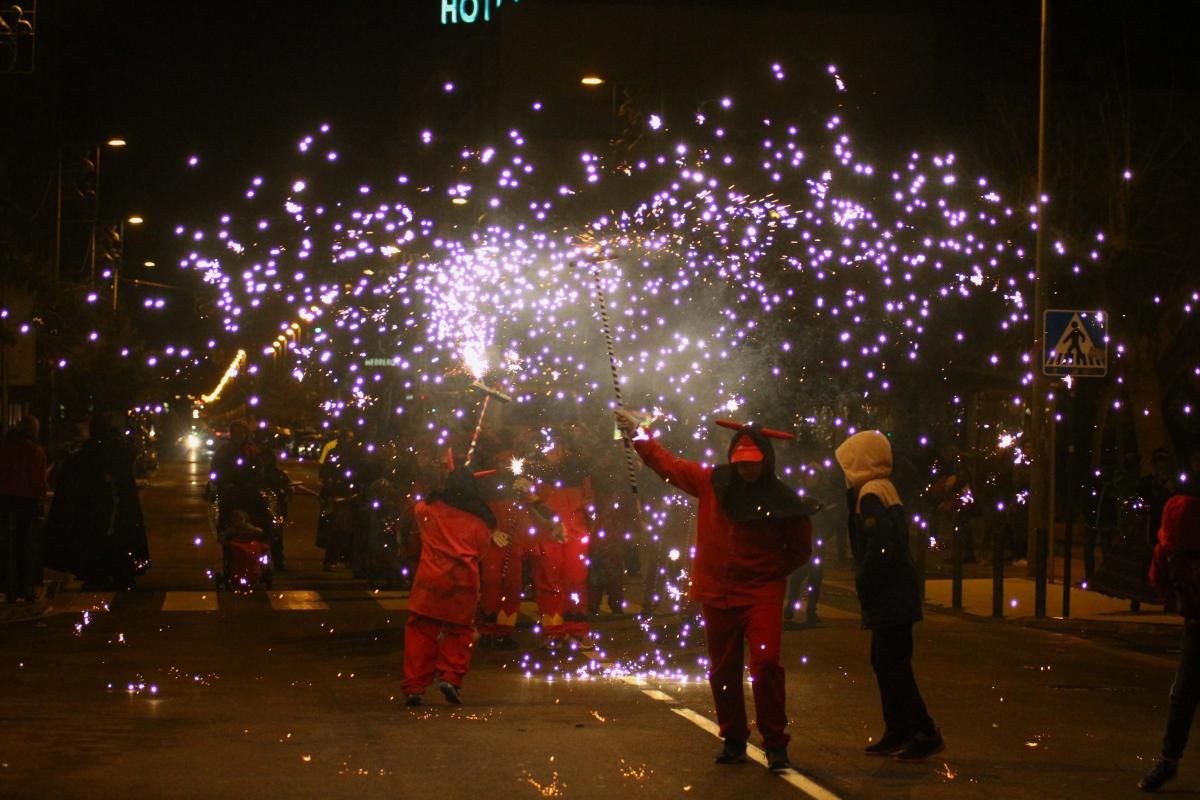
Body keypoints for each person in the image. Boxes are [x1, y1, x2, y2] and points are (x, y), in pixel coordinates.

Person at [616, 409, 814, 772]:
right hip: (717, 592)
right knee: (723, 670)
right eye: (741, 463)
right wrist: (638, 433)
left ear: (766, 461)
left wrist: (769, 574)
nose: (746, 470)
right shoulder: (711, 481)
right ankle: (734, 738)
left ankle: (775, 742)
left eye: (753, 464)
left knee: (766, 664)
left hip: (761, 592)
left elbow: (801, 549)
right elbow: (667, 465)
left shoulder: (782, 498)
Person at [835, 430, 943, 762]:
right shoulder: (884, 487)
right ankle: (898, 729)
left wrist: (865, 577)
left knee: (892, 664)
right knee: (886, 661)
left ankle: (923, 731)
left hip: (890, 592)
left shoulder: (869, 494)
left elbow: (882, 545)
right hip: (898, 590)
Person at [402, 467, 497, 707]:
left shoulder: (428, 510)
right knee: (460, 631)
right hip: (462, 583)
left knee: (421, 631)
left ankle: (415, 686)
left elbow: (415, 511)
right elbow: (483, 552)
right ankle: (451, 677)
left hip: (429, 581)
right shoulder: (479, 522)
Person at [44, 413, 150, 590]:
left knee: (98, 539)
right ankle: (109, 573)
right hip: (104, 508)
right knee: (107, 539)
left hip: (99, 508)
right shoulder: (110, 452)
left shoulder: (93, 453)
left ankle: (101, 573)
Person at [1138, 491, 1200, 792]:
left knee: (1184, 694)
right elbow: (1159, 580)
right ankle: (1169, 759)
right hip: (1196, 626)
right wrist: (1181, 605)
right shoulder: (1165, 551)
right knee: (1182, 695)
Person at [0, 416, 49, 603]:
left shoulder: (6, 449)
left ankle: (8, 586)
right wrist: (41, 496)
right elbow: (37, 479)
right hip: (26, 502)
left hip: (5, 500)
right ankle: (25, 587)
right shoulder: (34, 451)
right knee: (26, 546)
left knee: (7, 545)